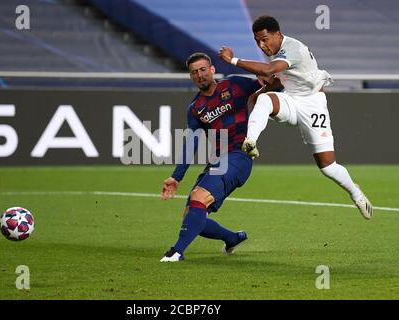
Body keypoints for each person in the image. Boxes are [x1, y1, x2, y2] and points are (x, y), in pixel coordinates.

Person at [218, 15, 373, 219]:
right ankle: (251, 141)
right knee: (264, 100)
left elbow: (270, 69)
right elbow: (280, 78)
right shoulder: (277, 51)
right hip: (291, 100)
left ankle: (356, 193)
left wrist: (233, 60)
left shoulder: (293, 49)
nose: (262, 45)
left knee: (328, 167)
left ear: (278, 35)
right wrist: (260, 91)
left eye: (265, 39)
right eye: (257, 41)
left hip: (313, 104)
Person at [160, 52, 279, 262]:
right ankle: (232, 238)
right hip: (218, 160)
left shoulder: (234, 85)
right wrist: (176, 177)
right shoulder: (195, 109)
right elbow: (192, 143)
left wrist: (271, 89)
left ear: (212, 69)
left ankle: (176, 252)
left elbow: (271, 83)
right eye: (194, 72)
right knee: (192, 216)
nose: (199, 75)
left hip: (240, 155)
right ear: (191, 77)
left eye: (203, 69)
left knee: (199, 197)